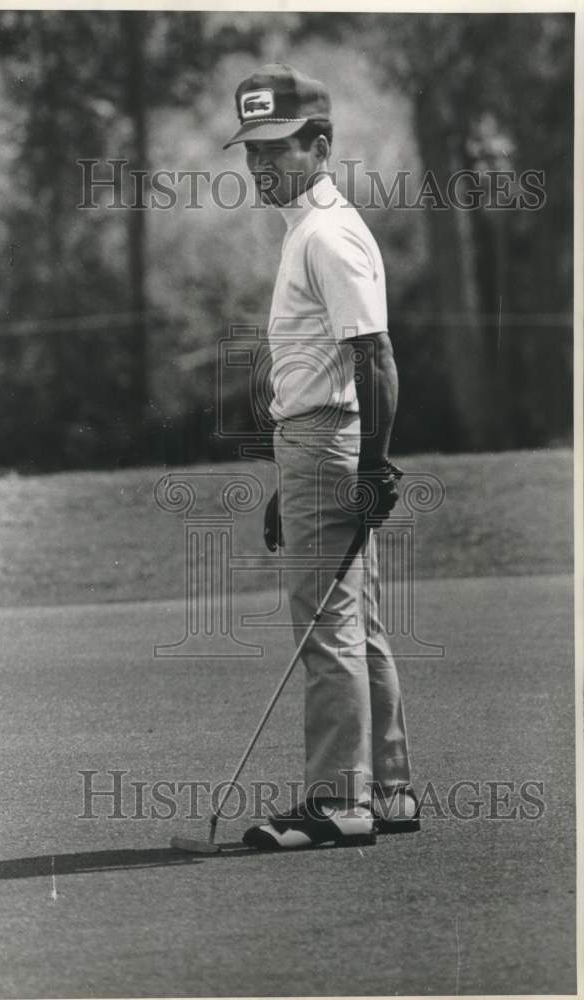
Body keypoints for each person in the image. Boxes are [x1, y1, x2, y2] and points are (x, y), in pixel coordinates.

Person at [223, 63, 419, 850]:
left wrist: (373, 465)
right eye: (251, 150)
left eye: (276, 146)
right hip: (317, 444)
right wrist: (293, 474)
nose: (261, 164)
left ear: (320, 144)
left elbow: (373, 354)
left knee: (326, 626)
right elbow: (337, 368)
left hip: (328, 443)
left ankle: (339, 800)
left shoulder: (327, 233)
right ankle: (390, 790)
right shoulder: (307, 229)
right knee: (358, 623)